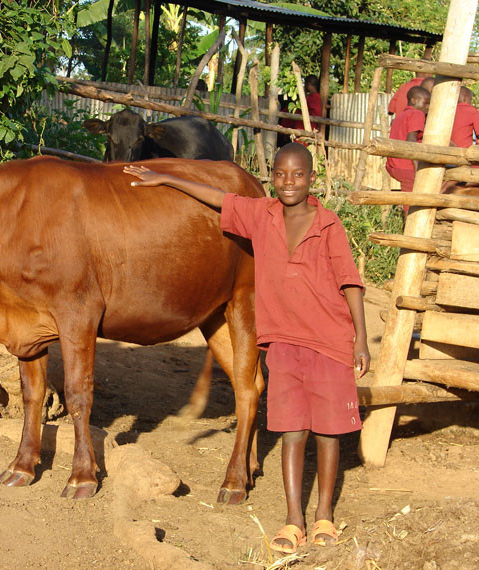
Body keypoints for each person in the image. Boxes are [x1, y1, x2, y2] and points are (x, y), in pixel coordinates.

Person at [123, 143, 370, 555]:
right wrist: (167, 178)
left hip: (329, 342)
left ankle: (324, 514)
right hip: (284, 345)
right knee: (292, 433)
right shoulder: (263, 215)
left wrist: (360, 338)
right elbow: (220, 198)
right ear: (272, 177)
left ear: (312, 179)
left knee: (327, 436)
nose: (288, 182)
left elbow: (350, 282)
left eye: (297, 175)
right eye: (280, 174)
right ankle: (294, 521)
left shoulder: (329, 225)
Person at [386, 85, 430, 197]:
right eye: (425, 103)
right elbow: (411, 141)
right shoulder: (417, 114)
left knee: (408, 197)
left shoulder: (400, 116)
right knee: (412, 201)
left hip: (394, 164)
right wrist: (417, 169)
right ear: (414, 100)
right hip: (407, 165)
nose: (428, 107)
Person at [278, 75, 322, 146]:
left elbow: (315, 114)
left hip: (307, 126)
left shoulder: (314, 98)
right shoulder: (312, 97)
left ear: (308, 85)